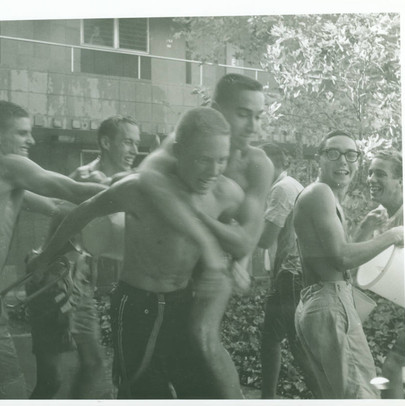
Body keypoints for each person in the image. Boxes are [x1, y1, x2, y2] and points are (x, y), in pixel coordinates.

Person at [27, 106, 249, 399]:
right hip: (137, 306)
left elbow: (243, 235)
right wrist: (45, 257)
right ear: (179, 151)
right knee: (142, 392)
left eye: (221, 160)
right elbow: (81, 213)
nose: (213, 171)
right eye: (203, 160)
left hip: (185, 306)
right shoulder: (138, 190)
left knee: (200, 391)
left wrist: (239, 263)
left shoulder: (226, 193)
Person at [137, 73, 274, 398]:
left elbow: (246, 240)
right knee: (163, 351)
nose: (253, 126)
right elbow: (145, 176)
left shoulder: (257, 163)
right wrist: (208, 237)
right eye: (243, 114)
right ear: (214, 109)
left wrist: (227, 250)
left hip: (220, 262)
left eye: (258, 116)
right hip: (172, 261)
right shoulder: (181, 144)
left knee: (201, 333)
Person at [0, 100, 106, 399]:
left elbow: (58, 206)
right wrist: (135, 187)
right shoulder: (9, 165)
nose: (31, 140)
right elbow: (73, 191)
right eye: (22, 133)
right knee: (10, 392)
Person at [27, 115, 140, 399]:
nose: (134, 150)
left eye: (137, 143)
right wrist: (45, 265)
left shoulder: (124, 181)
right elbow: (62, 227)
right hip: (55, 281)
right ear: (105, 142)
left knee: (93, 364)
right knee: (52, 379)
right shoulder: (85, 178)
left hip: (81, 284)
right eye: (128, 142)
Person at [293, 131, 404, 399]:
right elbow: (341, 259)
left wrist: (365, 227)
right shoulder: (320, 192)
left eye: (351, 154)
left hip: (321, 301)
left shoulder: (328, 198)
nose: (343, 161)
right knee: (362, 395)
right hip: (330, 303)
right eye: (333, 153)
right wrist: (392, 235)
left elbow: (340, 262)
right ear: (318, 158)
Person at [256, 143, 316, 398]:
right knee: (271, 338)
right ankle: (267, 397)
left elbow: (265, 239)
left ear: (272, 165)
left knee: (297, 344)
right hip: (291, 273)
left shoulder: (281, 189)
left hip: (291, 275)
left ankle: (328, 396)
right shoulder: (289, 184)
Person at [353, 149, 404, 399]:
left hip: (399, 311)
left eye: (380, 174)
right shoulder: (378, 216)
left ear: (401, 181)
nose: (371, 179)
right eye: (370, 172)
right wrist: (364, 228)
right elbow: (353, 261)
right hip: (387, 310)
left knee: (393, 368)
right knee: (388, 370)